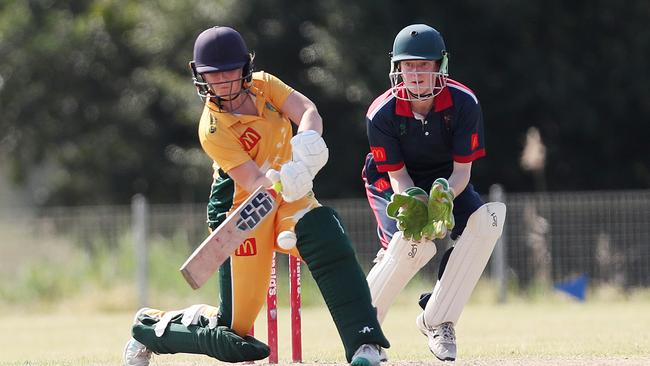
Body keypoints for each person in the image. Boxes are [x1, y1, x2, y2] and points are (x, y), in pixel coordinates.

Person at [123, 26, 390, 366]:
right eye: (212, 75)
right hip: (243, 211)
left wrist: (306, 145)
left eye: (229, 71)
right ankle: (148, 328)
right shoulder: (212, 128)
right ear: (199, 76)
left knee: (325, 232)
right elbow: (252, 180)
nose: (221, 82)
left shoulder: (264, 84)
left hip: (290, 195)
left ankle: (364, 345)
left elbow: (308, 111)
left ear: (245, 68)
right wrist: (285, 179)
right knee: (234, 333)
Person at [361, 24, 506, 362]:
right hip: (393, 183)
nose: (415, 74)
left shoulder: (463, 103)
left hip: (447, 182)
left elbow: (461, 173)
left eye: (423, 64)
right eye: (408, 65)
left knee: (488, 221)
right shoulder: (380, 113)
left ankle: (437, 319)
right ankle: (365, 333)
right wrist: (417, 203)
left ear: (440, 65)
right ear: (397, 68)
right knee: (410, 242)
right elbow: (397, 176)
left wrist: (442, 199)